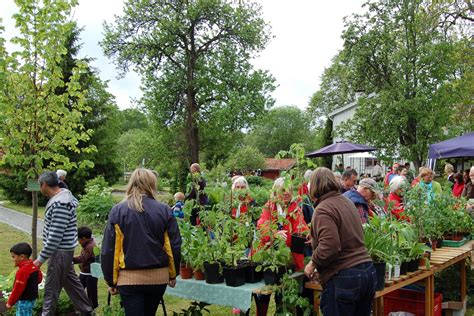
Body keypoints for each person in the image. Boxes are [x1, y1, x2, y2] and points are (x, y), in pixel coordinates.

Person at [101, 169, 181, 316]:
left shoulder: (118, 211)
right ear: (152, 184)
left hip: (129, 280)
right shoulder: (164, 210)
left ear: (131, 184)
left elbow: (110, 250)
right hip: (158, 279)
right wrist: (172, 274)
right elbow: (173, 246)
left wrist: (111, 281)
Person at [304, 167, 375, 316]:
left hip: (344, 276)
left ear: (314, 187)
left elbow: (330, 246)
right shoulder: (346, 201)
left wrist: (312, 264)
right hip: (367, 272)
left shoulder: (323, 208)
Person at [33, 171, 93, 316]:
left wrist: (40, 260)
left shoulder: (60, 203)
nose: (39, 189)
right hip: (64, 252)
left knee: (51, 289)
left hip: (59, 252)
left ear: (44, 185)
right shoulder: (61, 198)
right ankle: (87, 311)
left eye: (39, 186)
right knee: (73, 285)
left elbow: (55, 236)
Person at [257, 177, 309, 271]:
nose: (286, 193)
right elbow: (262, 225)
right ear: (275, 192)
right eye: (283, 190)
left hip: (291, 255)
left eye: (289, 190)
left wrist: (307, 234)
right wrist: (275, 233)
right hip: (270, 252)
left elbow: (301, 228)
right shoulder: (269, 207)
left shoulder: (296, 209)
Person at [6, 243, 43, 316]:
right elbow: (39, 279)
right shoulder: (33, 266)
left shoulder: (22, 271)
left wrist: (10, 303)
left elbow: (17, 289)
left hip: (23, 301)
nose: (12, 259)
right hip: (32, 300)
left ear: (22, 257)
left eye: (13, 257)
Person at [73, 227, 98, 310]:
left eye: (78, 239)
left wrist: (71, 259)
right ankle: (84, 307)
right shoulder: (89, 244)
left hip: (90, 273)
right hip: (86, 272)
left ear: (83, 238)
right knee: (79, 289)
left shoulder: (89, 247)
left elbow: (82, 258)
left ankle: (92, 309)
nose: (78, 242)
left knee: (91, 292)